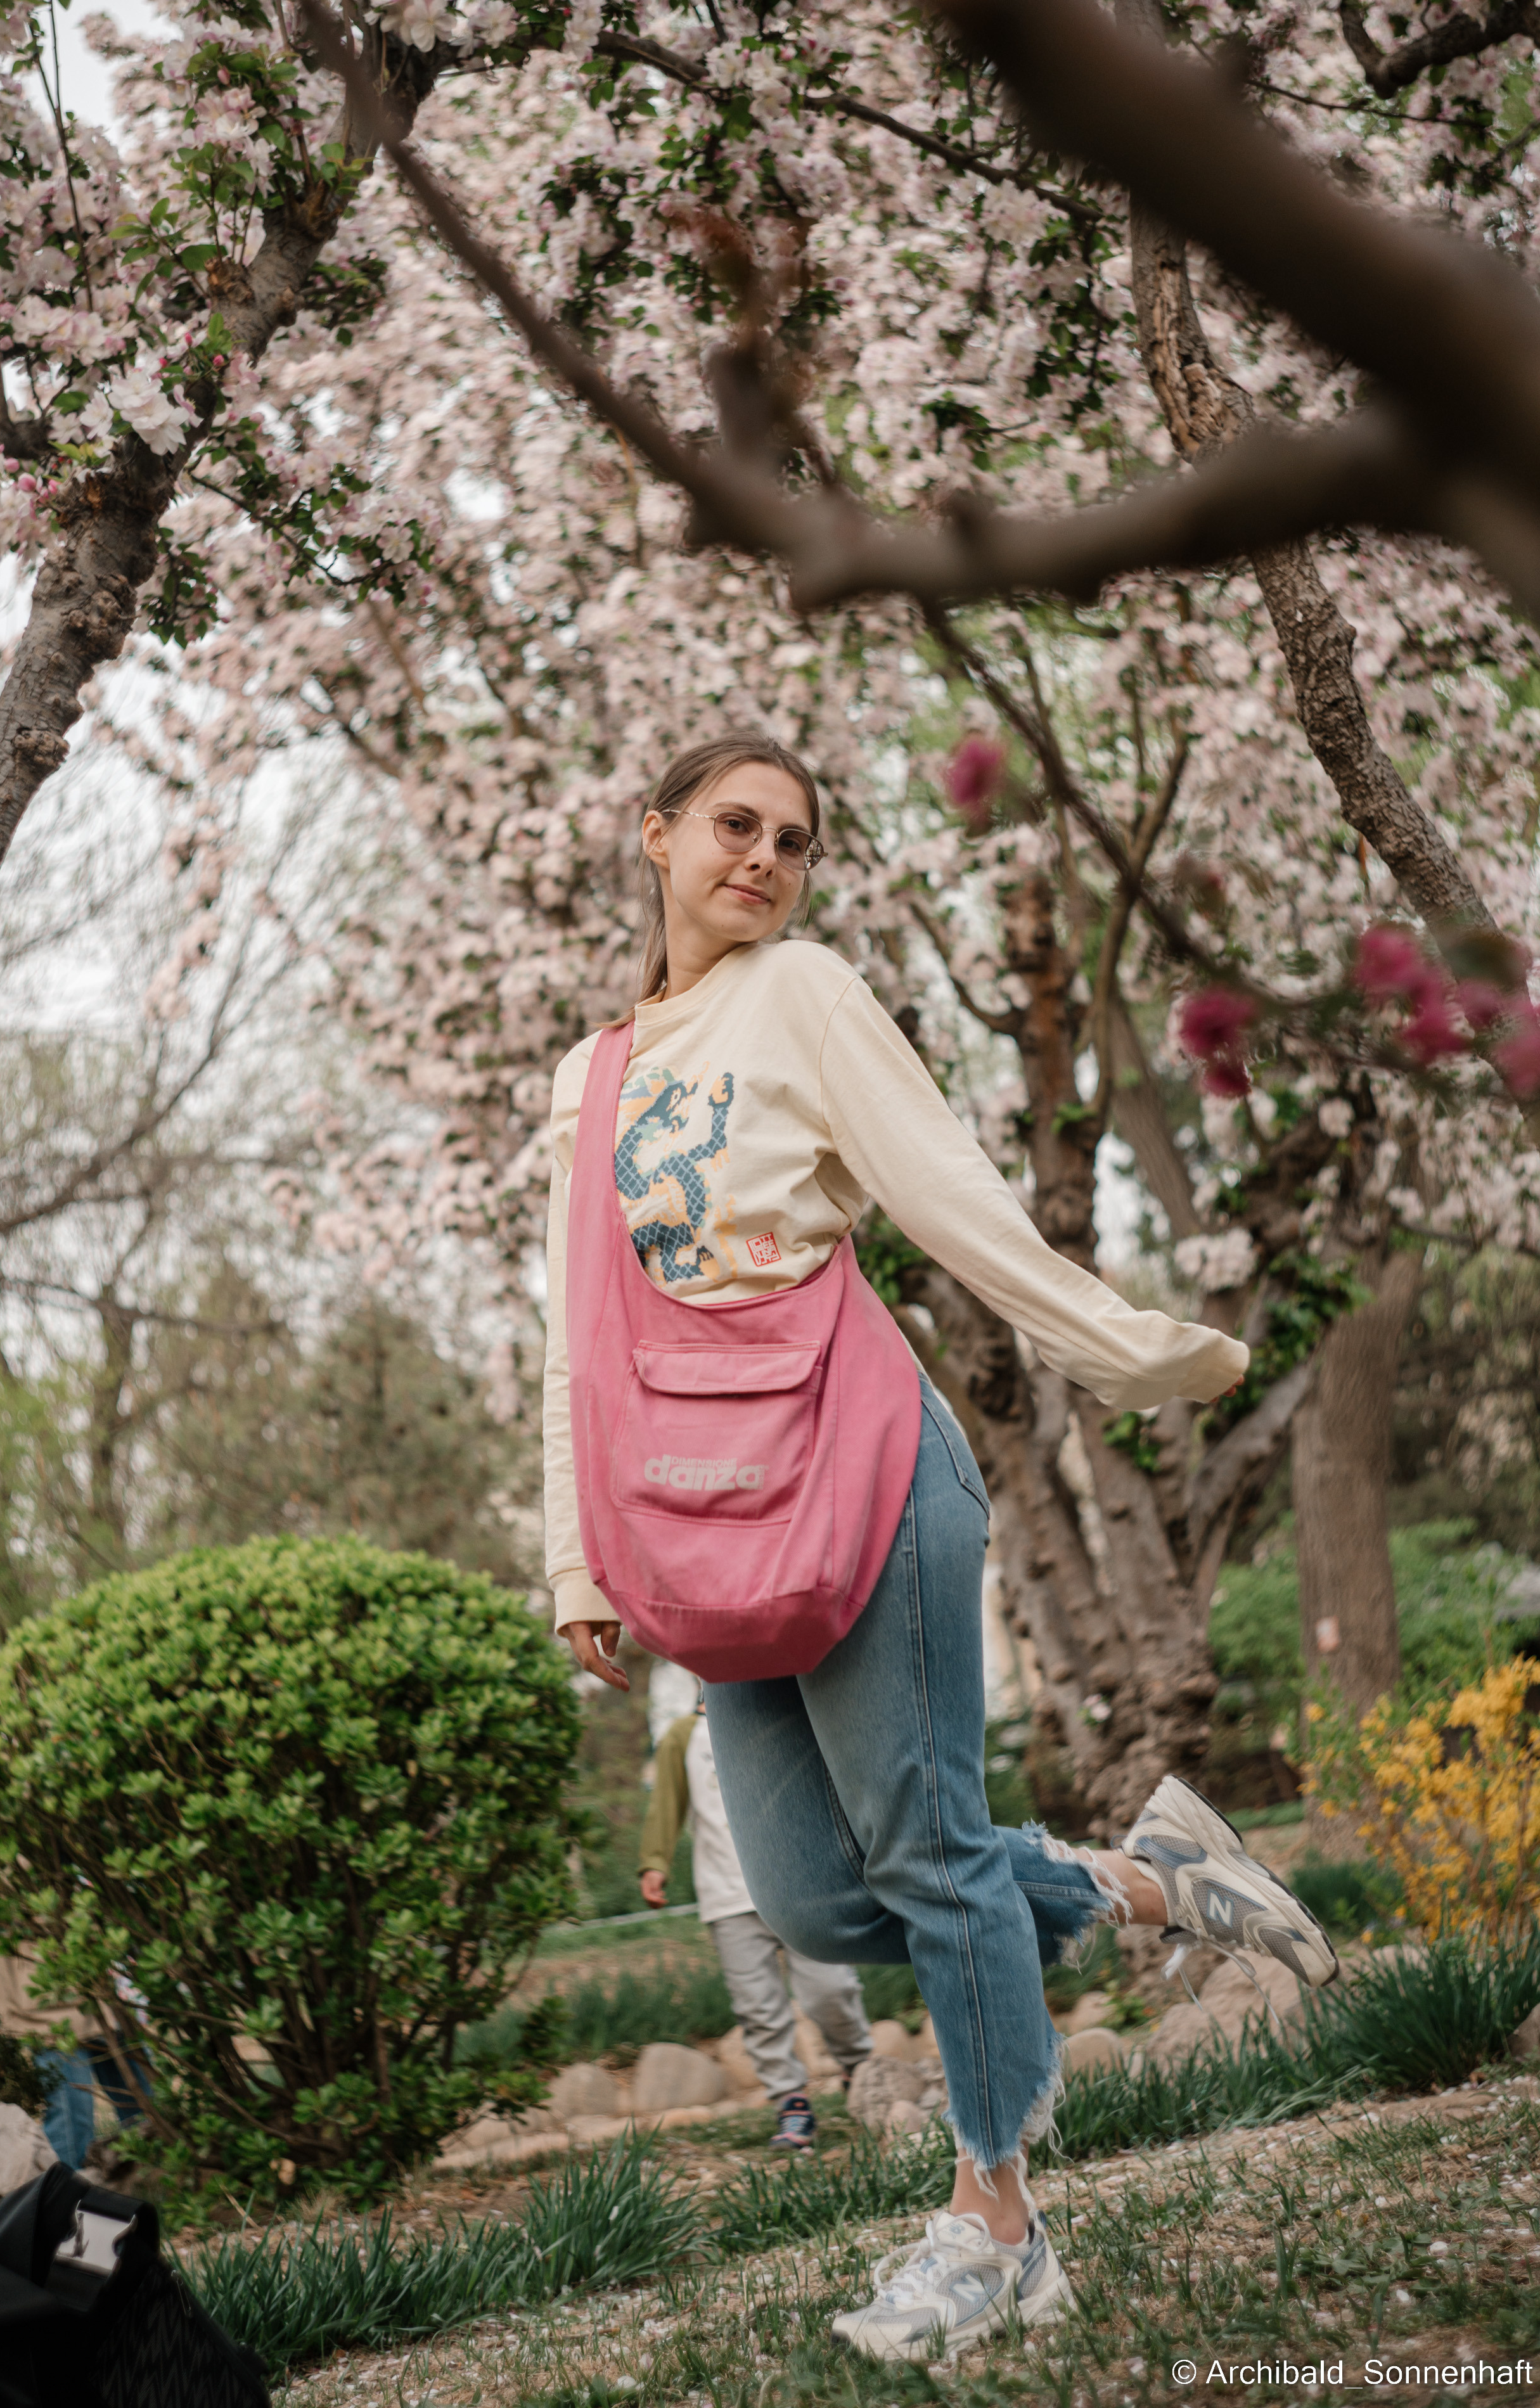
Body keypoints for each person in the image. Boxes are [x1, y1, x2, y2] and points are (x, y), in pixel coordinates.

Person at [547, 734, 1339, 2362]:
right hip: (702, 1513)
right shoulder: (592, 1069)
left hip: (863, 1464)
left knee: (923, 1849)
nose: (759, 855)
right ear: (655, 838)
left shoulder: (808, 993)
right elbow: (576, 1327)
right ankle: (1151, 1876)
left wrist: (1109, 1341)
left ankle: (995, 2223)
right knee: (821, 1902)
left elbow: (947, 1196)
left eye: (791, 837)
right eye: (728, 824)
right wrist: (576, 1553)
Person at [639, 1690, 873, 2149]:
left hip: (802, 1885)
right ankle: (791, 2102)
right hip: (727, 1897)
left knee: (831, 1989)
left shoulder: (781, 1710)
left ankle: (860, 2068)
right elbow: (666, 1803)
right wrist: (654, 1861)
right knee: (758, 2007)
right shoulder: (683, 1737)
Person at [0, 1933, 148, 2172]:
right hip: (49, 2014)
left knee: (146, 2112)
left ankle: (155, 2188)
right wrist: (11, 2017)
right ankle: (68, 2204)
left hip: (102, 1998)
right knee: (71, 2128)